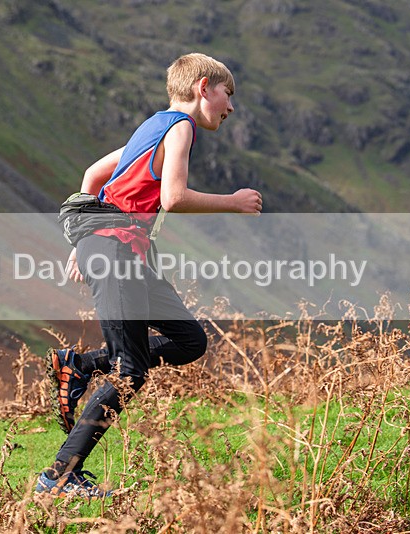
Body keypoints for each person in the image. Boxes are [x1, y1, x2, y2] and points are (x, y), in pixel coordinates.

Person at [35, 52, 262, 497]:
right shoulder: (181, 127)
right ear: (203, 88)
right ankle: (58, 477)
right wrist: (234, 201)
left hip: (125, 253)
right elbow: (173, 197)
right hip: (115, 251)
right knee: (130, 370)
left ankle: (78, 365)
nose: (230, 106)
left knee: (190, 341)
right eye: (227, 94)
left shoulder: (151, 126)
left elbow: (95, 174)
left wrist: (85, 237)